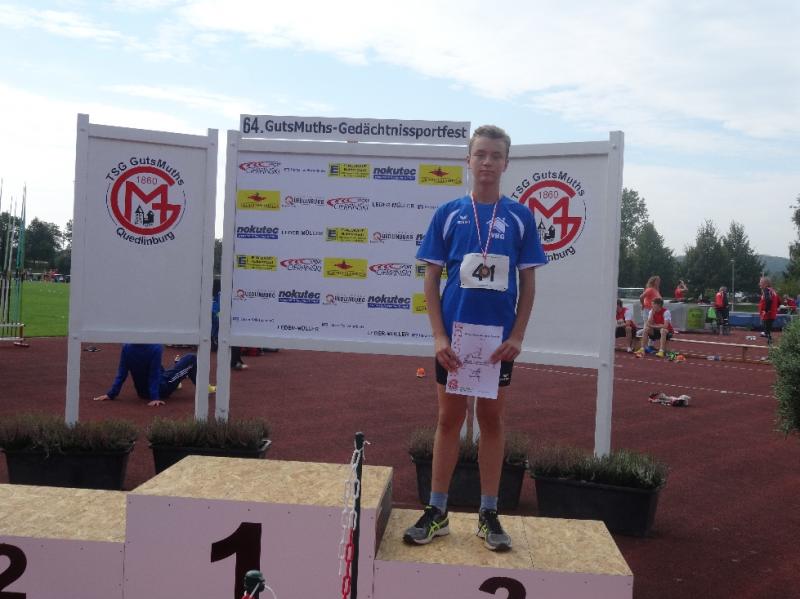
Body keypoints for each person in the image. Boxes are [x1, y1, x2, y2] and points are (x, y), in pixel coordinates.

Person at [403, 125, 547, 552]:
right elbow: (431, 281)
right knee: (448, 420)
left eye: (495, 155)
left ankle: (488, 512)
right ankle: (437, 510)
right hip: (455, 341)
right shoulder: (448, 213)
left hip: (497, 343)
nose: (487, 162)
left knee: (492, 421)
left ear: (506, 163)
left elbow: (529, 283)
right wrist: (438, 336)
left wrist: (518, 335)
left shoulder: (520, 217)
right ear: (467, 160)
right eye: (480, 154)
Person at [93, 344, 202, 407]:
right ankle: (202, 388)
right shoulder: (156, 347)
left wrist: (111, 394)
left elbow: (122, 372)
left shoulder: (126, 347)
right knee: (191, 358)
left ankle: (178, 373)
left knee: (158, 367)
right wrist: (155, 397)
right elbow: (154, 374)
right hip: (161, 389)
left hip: (142, 393)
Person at [758, 276, 779, 345]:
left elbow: (768, 300)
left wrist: (766, 310)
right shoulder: (772, 291)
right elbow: (778, 301)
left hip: (768, 314)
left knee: (766, 327)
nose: (759, 284)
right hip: (772, 313)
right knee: (768, 328)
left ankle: (768, 337)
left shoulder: (766, 290)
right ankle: (768, 338)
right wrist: (776, 308)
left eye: (761, 282)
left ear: (766, 284)